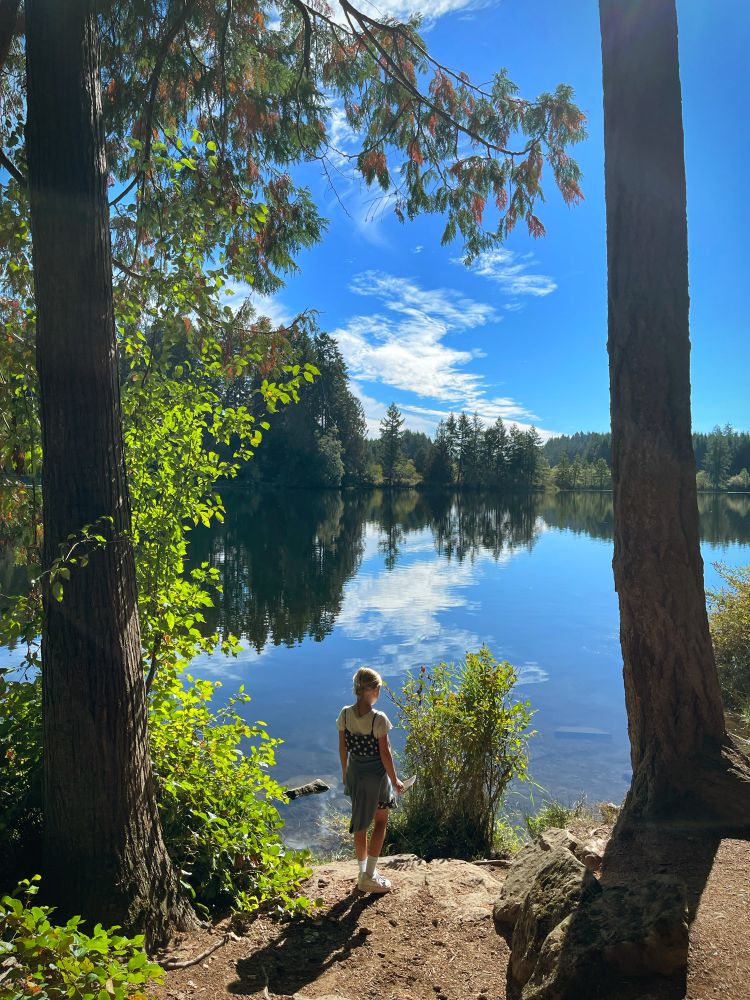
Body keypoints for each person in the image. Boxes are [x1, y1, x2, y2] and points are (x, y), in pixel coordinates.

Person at [337, 666, 404, 893]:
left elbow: (342, 747)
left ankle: (362, 873)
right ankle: (370, 874)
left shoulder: (345, 714)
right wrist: (395, 780)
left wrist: (345, 773)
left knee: (360, 825)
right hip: (376, 777)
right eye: (378, 689)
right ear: (372, 690)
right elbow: (384, 754)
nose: (379, 694)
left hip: (356, 774)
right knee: (381, 820)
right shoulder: (379, 719)